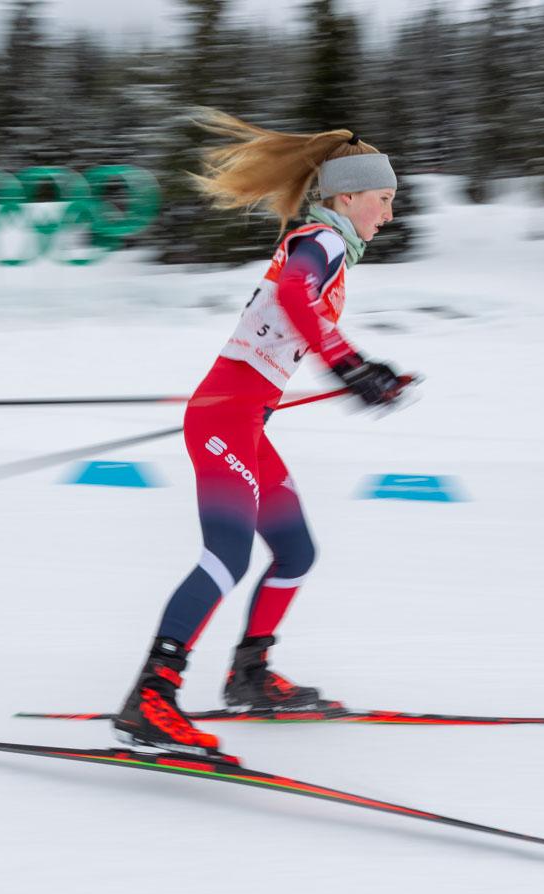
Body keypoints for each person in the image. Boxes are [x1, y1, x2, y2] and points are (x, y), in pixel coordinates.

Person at [112, 111, 409, 759]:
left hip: (244, 420)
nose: (387, 215)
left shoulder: (326, 245)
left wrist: (361, 373)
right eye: (383, 200)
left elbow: (281, 329)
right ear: (349, 196)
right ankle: (151, 698)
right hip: (222, 417)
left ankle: (250, 674)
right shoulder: (321, 243)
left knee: (295, 550)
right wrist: (352, 366)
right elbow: (299, 297)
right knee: (225, 556)